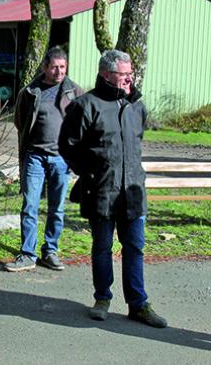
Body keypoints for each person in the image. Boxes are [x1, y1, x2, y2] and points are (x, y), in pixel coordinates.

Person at [59, 49, 165, 328]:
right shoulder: (86, 105)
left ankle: (138, 304)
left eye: (131, 74)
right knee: (102, 247)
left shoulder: (136, 106)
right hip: (102, 190)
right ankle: (102, 298)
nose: (130, 79)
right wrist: (90, 171)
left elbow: (137, 140)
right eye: (124, 74)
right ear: (106, 75)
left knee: (135, 247)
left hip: (132, 191)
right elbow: (67, 145)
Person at [4, 47, 83, 272]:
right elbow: (20, 122)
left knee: (56, 208)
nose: (59, 71)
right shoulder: (30, 91)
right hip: (35, 157)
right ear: (45, 67)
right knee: (30, 206)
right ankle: (28, 254)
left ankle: (50, 251)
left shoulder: (74, 91)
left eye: (62, 67)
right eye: (54, 67)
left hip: (61, 159)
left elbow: (81, 124)